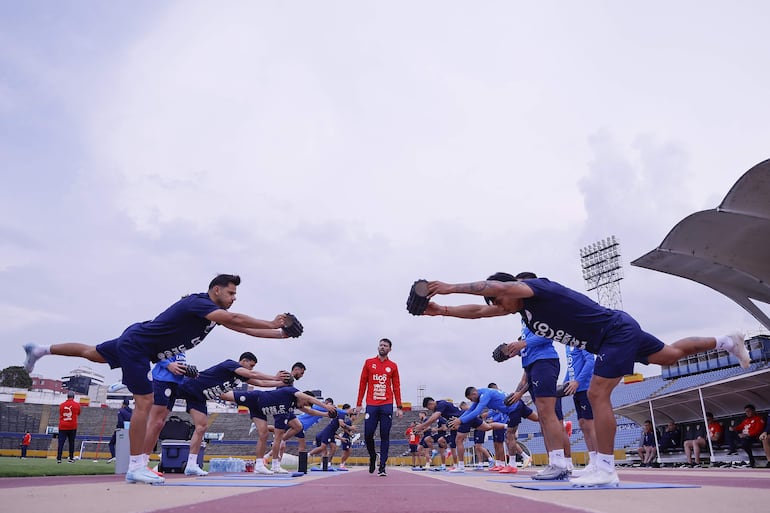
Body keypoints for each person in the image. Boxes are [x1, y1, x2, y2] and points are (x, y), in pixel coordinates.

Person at [419, 272, 750, 486]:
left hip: (613, 333)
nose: (496, 304)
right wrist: (442, 311)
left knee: (597, 395)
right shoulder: (526, 315)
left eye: (499, 298)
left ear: (515, 288)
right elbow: (479, 310)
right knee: (668, 354)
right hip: (614, 333)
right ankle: (726, 341)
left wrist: (449, 288)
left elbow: (498, 287)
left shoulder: (538, 289)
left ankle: (605, 468)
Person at [22, 274, 292, 484]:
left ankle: (40, 349)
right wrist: (271, 323)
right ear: (217, 290)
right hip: (139, 347)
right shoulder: (198, 302)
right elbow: (235, 318)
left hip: (140, 341)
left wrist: (282, 334)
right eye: (231, 292)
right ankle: (136, 467)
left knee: (92, 353)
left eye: (236, 294)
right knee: (145, 402)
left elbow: (243, 328)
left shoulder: (212, 317)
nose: (234, 297)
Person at [176, 352, 288, 475]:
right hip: (187, 386)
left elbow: (261, 383)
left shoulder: (240, 378)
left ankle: (191, 464)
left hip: (198, 397)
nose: (251, 368)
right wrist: (274, 377)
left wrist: (281, 383)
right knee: (158, 410)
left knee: (201, 427)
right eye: (251, 365)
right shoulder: (230, 364)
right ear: (243, 361)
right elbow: (251, 374)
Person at [220, 387, 338, 474]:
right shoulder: (293, 392)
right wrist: (325, 406)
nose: (304, 405)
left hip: (265, 412)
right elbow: (307, 397)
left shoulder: (294, 405)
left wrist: (326, 414)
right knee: (224, 396)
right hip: (257, 399)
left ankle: (270, 464)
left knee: (276, 433)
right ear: (302, 397)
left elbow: (310, 412)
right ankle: (207, 389)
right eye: (306, 403)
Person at [356, 338, 403, 476]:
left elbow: (396, 387)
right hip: (371, 404)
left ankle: (382, 466)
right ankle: (372, 456)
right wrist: (359, 403)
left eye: (385, 345)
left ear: (390, 349)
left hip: (387, 404)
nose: (382, 347)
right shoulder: (369, 363)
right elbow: (362, 383)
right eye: (381, 345)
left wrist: (399, 406)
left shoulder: (393, 366)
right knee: (368, 434)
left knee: (384, 435)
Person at [141, 353, 188, 471]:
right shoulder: (170, 335)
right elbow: (155, 351)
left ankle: (144, 463)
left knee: (160, 424)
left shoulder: (184, 343)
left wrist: (187, 371)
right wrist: (168, 365)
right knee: (155, 422)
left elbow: (178, 362)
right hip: (162, 380)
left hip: (175, 383)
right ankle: (140, 464)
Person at [562, 345, 598, 476]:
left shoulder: (581, 341)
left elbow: (590, 362)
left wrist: (578, 381)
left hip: (586, 387)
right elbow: (571, 368)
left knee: (590, 424)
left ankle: (599, 462)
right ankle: (593, 462)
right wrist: (565, 382)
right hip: (576, 390)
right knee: (583, 424)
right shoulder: (567, 346)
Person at [57, 391, 81, 463]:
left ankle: (59, 458)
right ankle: (71, 458)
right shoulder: (77, 405)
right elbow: (78, 413)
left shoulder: (61, 405)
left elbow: (60, 413)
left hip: (62, 426)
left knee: (61, 443)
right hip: (72, 426)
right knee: (71, 443)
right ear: (73, 397)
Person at [108, 398, 133, 463]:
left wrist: (118, 428)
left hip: (121, 430)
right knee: (127, 445)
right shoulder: (132, 411)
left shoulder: (121, 411)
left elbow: (120, 421)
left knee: (112, 443)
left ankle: (114, 456)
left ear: (123, 404)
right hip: (130, 430)